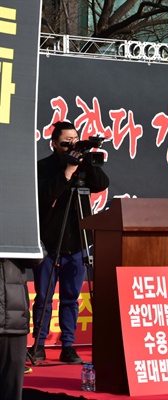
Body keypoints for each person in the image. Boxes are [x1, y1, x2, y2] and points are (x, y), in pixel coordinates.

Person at [29, 121, 109, 364]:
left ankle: (68, 345)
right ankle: (39, 345)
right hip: (49, 242)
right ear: (54, 144)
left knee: (70, 298)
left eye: (75, 141)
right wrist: (67, 171)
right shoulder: (44, 167)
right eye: (66, 143)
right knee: (43, 297)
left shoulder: (84, 165)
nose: (71, 146)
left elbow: (101, 184)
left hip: (78, 242)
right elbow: (43, 197)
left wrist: (84, 160)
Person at [1, 255, 43, 399]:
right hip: (13, 316)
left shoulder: (20, 232)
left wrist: (23, 243)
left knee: (11, 389)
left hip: (15, 318)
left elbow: (37, 257)